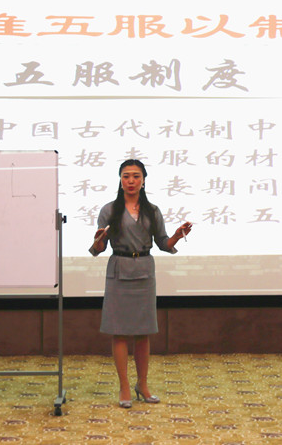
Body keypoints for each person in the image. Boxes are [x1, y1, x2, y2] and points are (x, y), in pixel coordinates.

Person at [89, 159, 192, 408]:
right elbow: (98, 248)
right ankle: (124, 387)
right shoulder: (109, 210)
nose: (131, 181)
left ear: (144, 180)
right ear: (120, 180)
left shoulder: (152, 211)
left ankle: (142, 385)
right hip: (119, 269)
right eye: (126, 176)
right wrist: (98, 240)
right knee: (120, 332)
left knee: (143, 332)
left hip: (144, 270)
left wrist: (177, 236)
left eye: (136, 176)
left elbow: (163, 244)